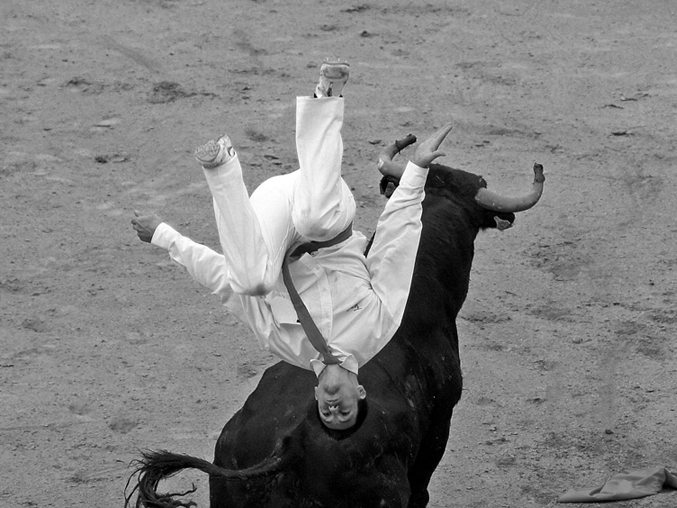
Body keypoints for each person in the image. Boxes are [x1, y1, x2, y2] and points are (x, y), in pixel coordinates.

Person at [131, 61, 451, 431]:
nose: (333, 409)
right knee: (316, 218)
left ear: (315, 398)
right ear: (360, 393)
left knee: (250, 281)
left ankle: (220, 164)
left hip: (275, 213)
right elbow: (395, 247)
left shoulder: (285, 348)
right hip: (326, 208)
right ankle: (326, 95)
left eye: (325, 414)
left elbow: (224, 279)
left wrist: (163, 235)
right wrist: (416, 173)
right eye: (343, 413)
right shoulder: (379, 329)